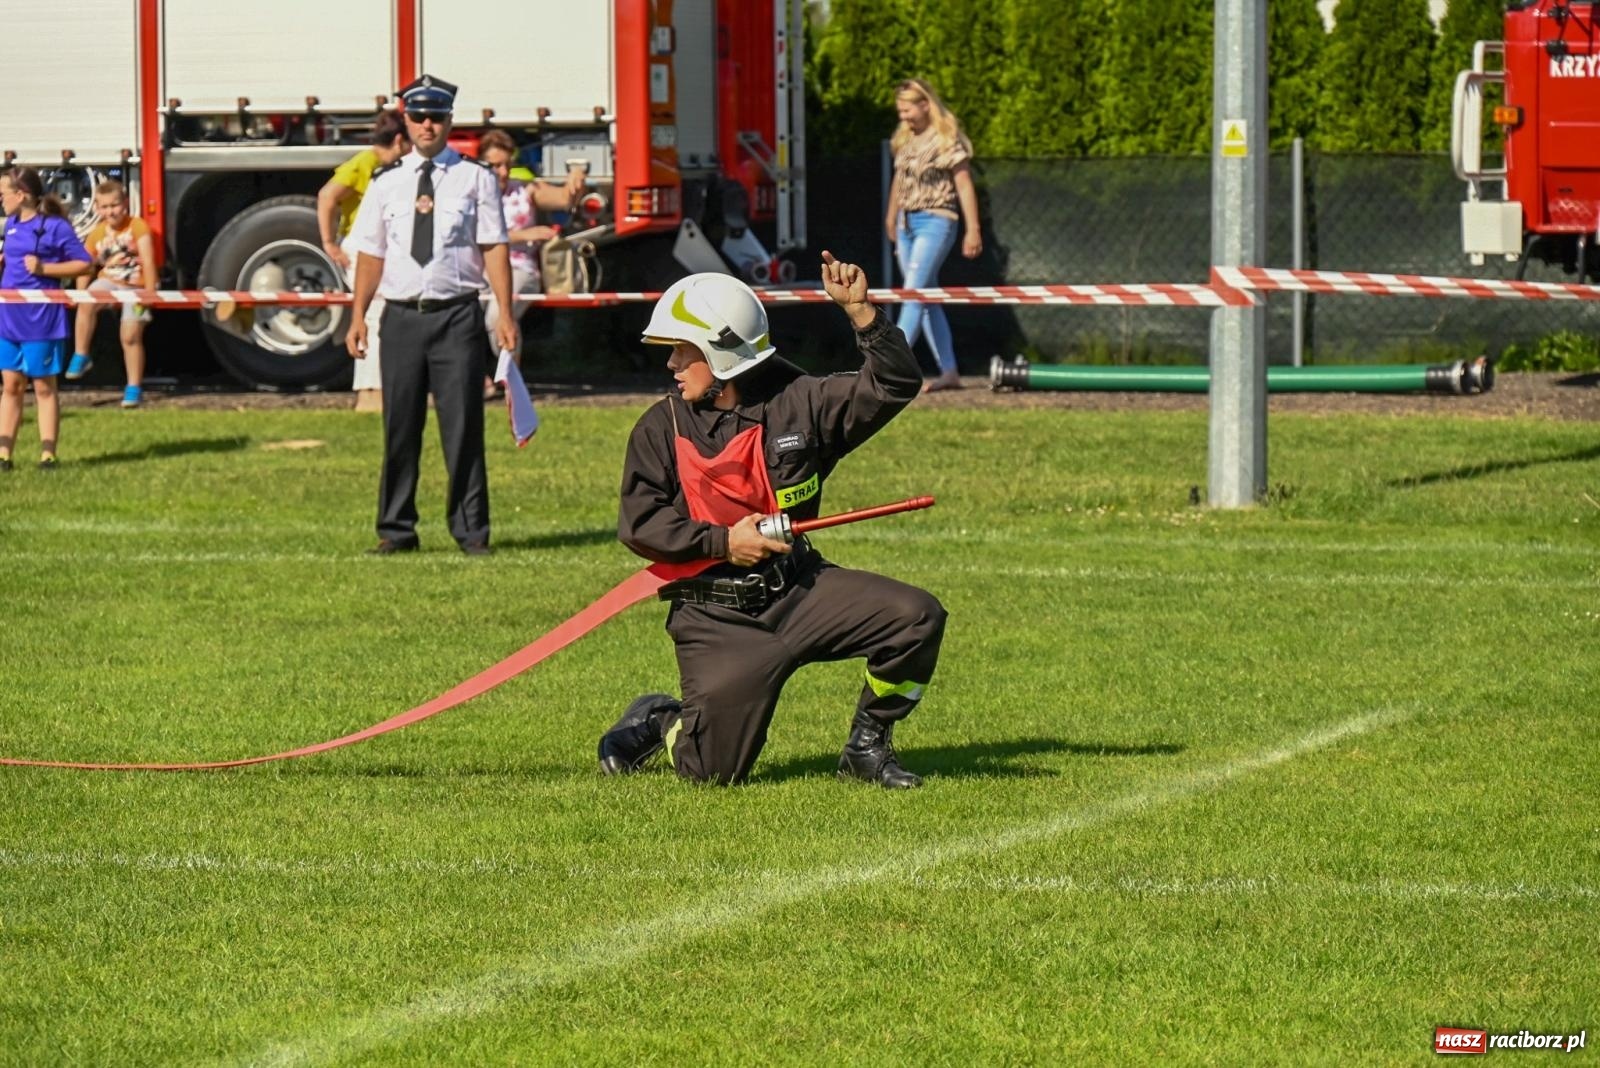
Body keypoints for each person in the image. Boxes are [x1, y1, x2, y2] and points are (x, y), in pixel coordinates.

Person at [598, 254, 947, 788]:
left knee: (915, 617)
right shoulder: (658, 427)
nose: (670, 365)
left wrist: (864, 316)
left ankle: (868, 745)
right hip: (716, 617)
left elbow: (895, 384)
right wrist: (722, 543)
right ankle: (662, 719)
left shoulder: (801, 402)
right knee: (711, 774)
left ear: (720, 354)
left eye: (682, 351)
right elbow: (640, 525)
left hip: (802, 592)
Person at [344, 74, 517, 556]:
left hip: (456, 317)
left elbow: (493, 247)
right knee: (399, 426)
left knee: (463, 427)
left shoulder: (475, 177)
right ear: (406, 120)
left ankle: (471, 531)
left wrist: (504, 313)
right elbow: (371, 254)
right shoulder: (385, 181)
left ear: (448, 122)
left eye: (436, 117)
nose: (427, 125)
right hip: (400, 317)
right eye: (418, 116)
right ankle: (396, 529)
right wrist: (357, 316)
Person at [883, 77, 983, 393]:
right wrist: (891, 216)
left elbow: (964, 184)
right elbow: (899, 181)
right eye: (900, 110)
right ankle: (949, 371)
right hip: (907, 223)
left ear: (925, 105)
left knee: (912, 294)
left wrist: (973, 229)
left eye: (908, 109)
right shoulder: (903, 139)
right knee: (926, 297)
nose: (903, 116)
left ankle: (887, 365)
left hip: (937, 220)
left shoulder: (946, 140)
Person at [476, 128, 584, 400]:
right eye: (494, 165)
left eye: (506, 165)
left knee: (497, 317)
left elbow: (563, 198)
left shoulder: (526, 190)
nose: (501, 172)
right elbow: (470, 235)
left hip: (520, 268)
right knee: (463, 314)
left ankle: (512, 379)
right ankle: (477, 377)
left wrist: (575, 183)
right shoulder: (472, 194)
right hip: (481, 269)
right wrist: (523, 235)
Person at [317, 110, 411, 412]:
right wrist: (329, 243)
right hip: (362, 248)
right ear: (399, 140)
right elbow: (327, 196)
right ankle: (371, 394)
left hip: (375, 247)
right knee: (374, 317)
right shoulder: (365, 163)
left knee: (378, 317)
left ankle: (375, 392)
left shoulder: (381, 164)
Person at [0, 167, 91, 471]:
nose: (1, 199)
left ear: (21, 194)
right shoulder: (11, 224)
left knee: (43, 386)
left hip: (42, 317)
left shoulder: (55, 227)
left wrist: (44, 271)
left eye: (4, 193)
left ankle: (47, 455)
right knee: (11, 385)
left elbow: (84, 265)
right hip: (9, 317)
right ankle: (4, 455)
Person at [65, 180, 159, 408]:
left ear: (125, 203)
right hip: (109, 281)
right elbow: (85, 267)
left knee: (130, 336)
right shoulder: (96, 234)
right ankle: (81, 354)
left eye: (115, 205)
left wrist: (149, 290)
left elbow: (147, 259)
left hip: (135, 285)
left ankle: (134, 386)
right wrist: (80, 294)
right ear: (97, 209)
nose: (110, 211)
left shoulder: (137, 226)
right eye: (105, 207)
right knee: (89, 300)